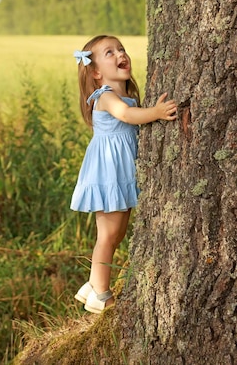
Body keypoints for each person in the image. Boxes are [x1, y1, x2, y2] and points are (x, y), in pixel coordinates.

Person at [71, 35, 177, 314]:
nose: (120, 54)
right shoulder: (106, 96)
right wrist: (155, 112)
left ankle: (94, 284)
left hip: (120, 171)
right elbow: (126, 115)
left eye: (121, 49)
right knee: (108, 234)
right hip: (108, 173)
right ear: (96, 72)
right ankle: (101, 295)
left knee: (115, 233)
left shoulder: (126, 95)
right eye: (110, 52)